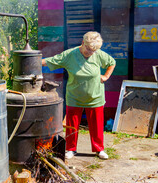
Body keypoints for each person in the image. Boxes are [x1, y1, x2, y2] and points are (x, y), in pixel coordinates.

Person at [42, 31, 115, 160]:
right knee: (72, 125)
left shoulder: (98, 54)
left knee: (97, 125)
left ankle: (99, 149)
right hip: (74, 97)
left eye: (94, 50)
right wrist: (31, 61)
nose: (91, 53)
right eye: (89, 49)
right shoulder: (70, 55)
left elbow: (111, 62)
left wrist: (106, 76)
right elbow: (51, 60)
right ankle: (71, 149)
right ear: (83, 43)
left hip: (95, 96)